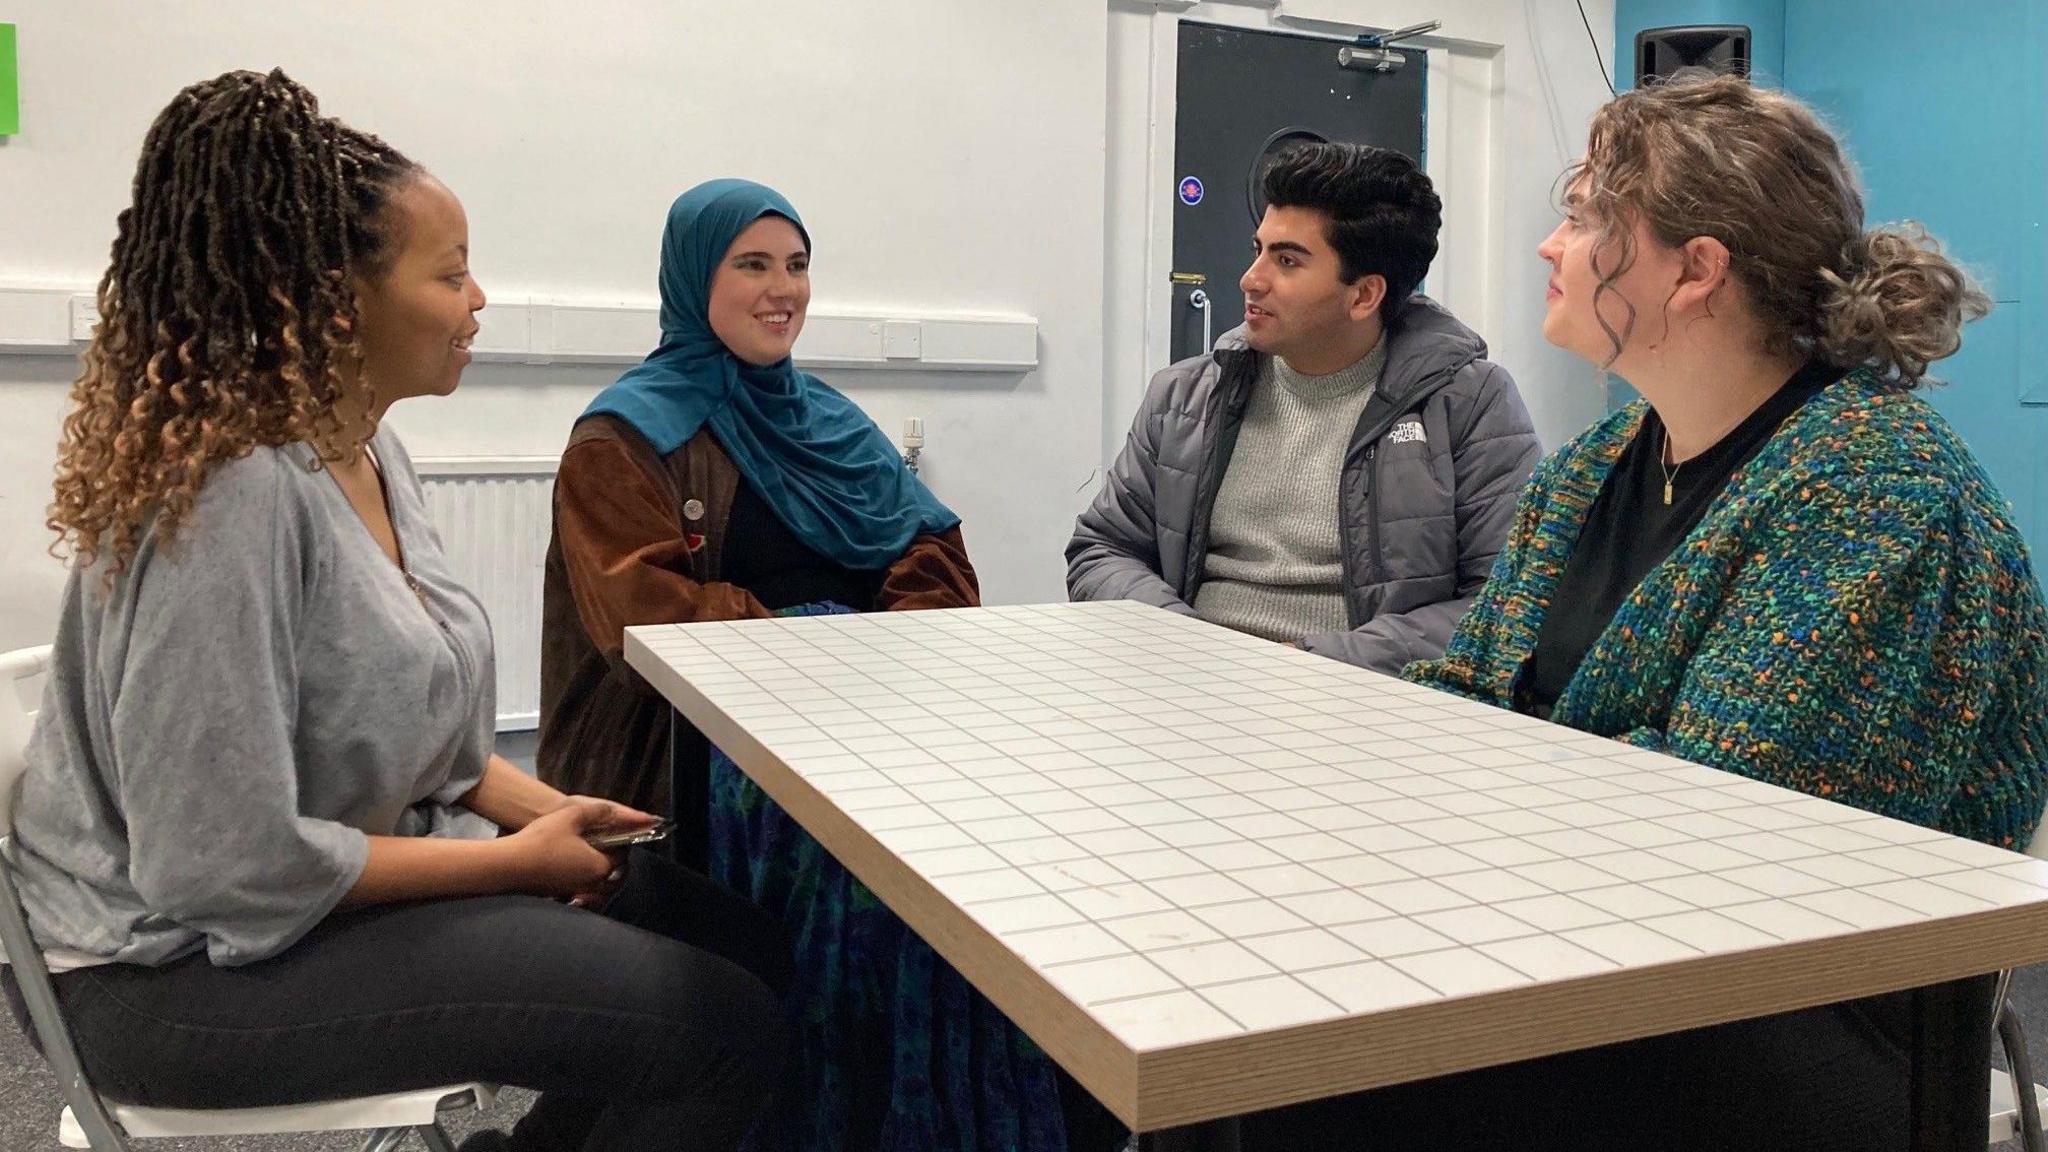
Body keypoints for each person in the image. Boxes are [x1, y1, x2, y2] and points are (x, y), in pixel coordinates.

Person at [1248, 71, 2048, 1151]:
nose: (1548, 247)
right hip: (1578, 945)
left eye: (1582, 219)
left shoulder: (1876, 487)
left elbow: (1726, 830)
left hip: (1782, 1021)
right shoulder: (1599, 462)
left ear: (1693, 271)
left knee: (1302, 1076)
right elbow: (1463, 692)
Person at [6, 70, 789, 1152]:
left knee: (743, 942)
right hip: (164, 977)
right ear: (338, 302)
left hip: (292, 907)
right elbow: (219, 868)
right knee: (718, 1027)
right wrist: (515, 864)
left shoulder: (368, 447)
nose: (478, 302)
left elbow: (425, 747)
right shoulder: (233, 491)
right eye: (452, 273)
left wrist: (552, 813)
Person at [538, 180, 1062, 1151]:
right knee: (867, 887)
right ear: (694, 278)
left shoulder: (824, 420)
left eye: (796, 264)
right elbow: (647, 623)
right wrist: (826, 630)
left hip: (865, 722)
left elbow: (932, 559)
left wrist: (882, 645)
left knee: (980, 858)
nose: (782, 289)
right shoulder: (621, 440)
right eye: (752, 264)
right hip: (700, 746)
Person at [1068, 142, 1541, 673]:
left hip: (1359, 698)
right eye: (1259, 249)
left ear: (1363, 296)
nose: (1252, 278)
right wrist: (1187, 643)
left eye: (1287, 260)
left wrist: (1314, 664)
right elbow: (1102, 549)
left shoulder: (1470, 405)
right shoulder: (1184, 396)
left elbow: (1508, 604)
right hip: (1187, 683)